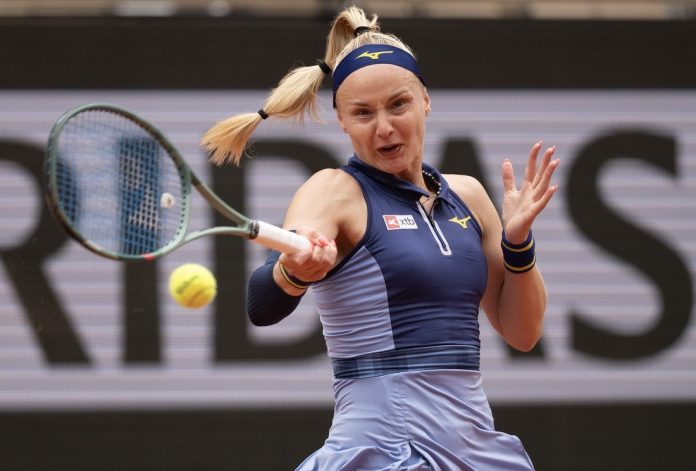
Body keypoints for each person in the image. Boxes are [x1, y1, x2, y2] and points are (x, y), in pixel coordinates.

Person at [202, 6, 558, 470]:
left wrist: (518, 245)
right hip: (381, 453)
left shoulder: (468, 195)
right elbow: (261, 304)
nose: (385, 127)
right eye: (363, 113)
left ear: (425, 100)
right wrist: (293, 272)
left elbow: (523, 333)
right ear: (342, 120)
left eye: (398, 105)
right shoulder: (332, 192)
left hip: (473, 452)